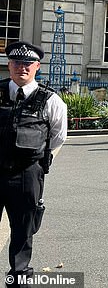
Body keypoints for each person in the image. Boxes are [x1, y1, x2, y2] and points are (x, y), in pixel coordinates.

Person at [0, 41, 67, 286]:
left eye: (28, 63)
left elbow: (59, 135)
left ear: (37, 66)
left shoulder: (50, 100)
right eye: (17, 63)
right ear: (9, 65)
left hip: (26, 174)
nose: (22, 68)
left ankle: (18, 278)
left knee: (23, 231)